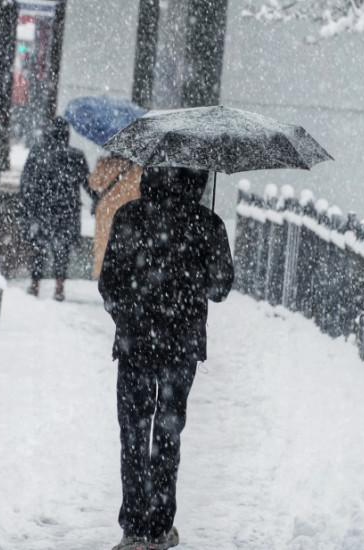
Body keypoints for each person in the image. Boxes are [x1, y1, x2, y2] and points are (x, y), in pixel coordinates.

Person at [98, 166, 234, 550]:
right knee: (167, 433)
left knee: (134, 432)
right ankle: (160, 527)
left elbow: (109, 282)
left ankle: (134, 527)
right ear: (199, 177)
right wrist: (200, 265)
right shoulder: (207, 223)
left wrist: (128, 318)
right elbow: (221, 288)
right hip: (181, 345)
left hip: (135, 342)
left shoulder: (129, 216)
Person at [19, 116, 89, 301]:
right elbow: (86, 182)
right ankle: (59, 287)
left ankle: (35, 284)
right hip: (67, 209)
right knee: (62, 250)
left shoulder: (38, 152)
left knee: (39, 247)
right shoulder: (76, 155)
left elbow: (26, 181)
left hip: (42, 208)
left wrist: (26, 204)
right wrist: (98, 199)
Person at [88, 154, 143, 279]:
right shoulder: (137, 165)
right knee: (128, 244)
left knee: (104, 243)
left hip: (107, 210)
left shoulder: (104, 162)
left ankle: (104, 274)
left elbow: (93, 183)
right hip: (129, 209)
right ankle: (126, 273)